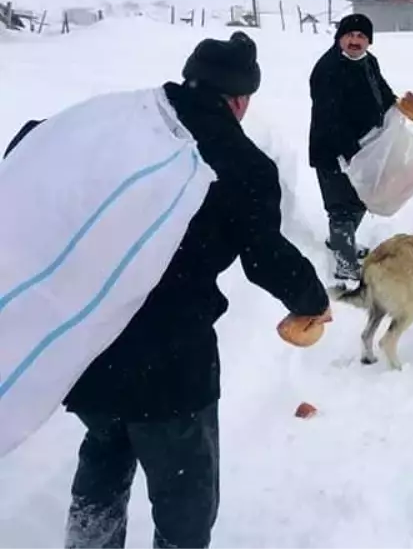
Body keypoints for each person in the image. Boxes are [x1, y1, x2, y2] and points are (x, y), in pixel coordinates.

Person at [0, 32, 333, 549]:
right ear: (241, 99)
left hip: (92, 349)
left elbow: (34, 145)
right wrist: (311, 299)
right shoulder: (241, 164)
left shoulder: (122, 123)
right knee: (185, 490)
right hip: (172, 364)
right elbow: (265, 257)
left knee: (105, 450)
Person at [307, 13, 397, 282]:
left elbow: (380, 90)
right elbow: (329, 117)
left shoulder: (369, 62)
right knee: (341, 206)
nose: (355, 41)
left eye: (361, 36)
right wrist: (350, 152)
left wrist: (396, 106)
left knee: (359, 200)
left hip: (364, 148)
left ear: (369, 41)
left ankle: (342, 242)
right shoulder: (328, 69)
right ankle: (345, 261)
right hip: (332, 151)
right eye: (350, 35)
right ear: (340, 38)